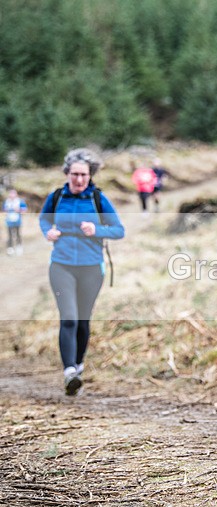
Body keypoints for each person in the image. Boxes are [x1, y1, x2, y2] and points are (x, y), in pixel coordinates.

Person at [39, 148, 125, 395]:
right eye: (74, 174)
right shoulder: (56, 197)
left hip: (91, 268)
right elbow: (44, 220)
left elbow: (119, 230)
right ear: (67, 173)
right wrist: (48, 232)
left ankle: (78, 365)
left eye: (83, 175)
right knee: (69, 317)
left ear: (90, 175)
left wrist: (97, 230)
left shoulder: (98, 199)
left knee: (83, 320)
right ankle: (69, 372)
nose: (79, 179)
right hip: (61, 265)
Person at [3, 189, 27, 255]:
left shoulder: (20, 201)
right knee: (9, 236)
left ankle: (19, 247)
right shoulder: (7, 201)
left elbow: (24, 210)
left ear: (16, 194)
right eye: (11, 193)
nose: (12, 195)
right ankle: (10, 248)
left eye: (13, 193)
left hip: (17, 221)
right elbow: (4, 210)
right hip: (9, 221)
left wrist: (19, 210)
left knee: (18, 235)